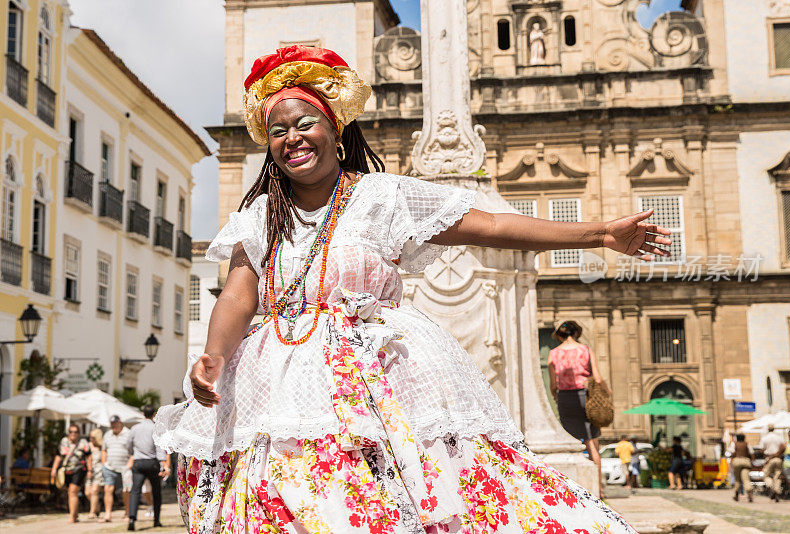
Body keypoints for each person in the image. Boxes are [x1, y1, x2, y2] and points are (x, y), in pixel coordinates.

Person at [153, 45, 671, 533]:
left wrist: (599, 234)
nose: (292, 137)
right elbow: (238, 295)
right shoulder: (261, 215)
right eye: (278, 129)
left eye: (305, 122)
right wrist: (214, 357)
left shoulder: (383, 196)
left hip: (378, 380)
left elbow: (489, 226)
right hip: (278, 383)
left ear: (335, 129)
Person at [548, 320, 606, 495]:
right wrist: (607, 392)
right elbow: (597, 378)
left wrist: (556, 397)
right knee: (591, 443)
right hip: (585, 396)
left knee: (569, 441)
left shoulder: (553, 354)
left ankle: (572, 488)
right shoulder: (586, 350)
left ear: (559, 335)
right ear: (576, 334)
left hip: (565, 398)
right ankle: (598, 488)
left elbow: (553, 385)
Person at [126, 405, 169, 531]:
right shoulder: (156, 427)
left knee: (135, 491)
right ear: (154, 414)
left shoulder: (135, 428)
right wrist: (163, 464)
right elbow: (159, 447)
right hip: (152, 463)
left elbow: (128, 444)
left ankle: (132, 518)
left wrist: (132, 453)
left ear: (142, 413)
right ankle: (156, 520)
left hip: (138, 462)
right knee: (156, 492)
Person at [50, 423, 92, 523]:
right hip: (67, 470)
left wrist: (90, 470)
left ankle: (72, 517)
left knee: (72, 491)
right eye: (71, 432)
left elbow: (89, 457)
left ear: (79, 433)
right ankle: (75, 514)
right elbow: (58, 455)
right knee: (71, 493)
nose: (73, 434)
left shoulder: (83, 443)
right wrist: (54, 469)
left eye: (75, 432)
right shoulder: (64, 442)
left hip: (79, 469)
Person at [101, 415, 131, 522]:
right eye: (111, 424)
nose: (113, 425)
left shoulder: (128, 434)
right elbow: (104, 450)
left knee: (126, 491)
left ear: (120, 422)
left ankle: (127, 513)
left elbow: (133, 451)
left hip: (125, 468)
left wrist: (130, 464)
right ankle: (108, 514)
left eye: (115, 423)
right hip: (109, 468)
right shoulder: (107, 435)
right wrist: (104, 463)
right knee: (108, 489)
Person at [759, 424, 785, 501]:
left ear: (768, 429)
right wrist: (777, 453)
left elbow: (761, 449)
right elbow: (783, 447)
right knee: (777, 476)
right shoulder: (779, 437)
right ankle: (777, 491)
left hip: (769, 458)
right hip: (778, 459)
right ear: (774, 429)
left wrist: (769, 456)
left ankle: (771, 486)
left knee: (765, 475)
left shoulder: (764, 438)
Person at [86, 428, 105, 520]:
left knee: (94, 491)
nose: (91, 439)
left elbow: (104, 460)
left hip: (99, 472)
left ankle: (92, 512)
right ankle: (97, 506)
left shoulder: (102, 447)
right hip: (89, 472)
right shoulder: (88, 446)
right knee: (87, 493)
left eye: (93, 437)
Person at [731, 433, 754, 502]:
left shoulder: (734, 444)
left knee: (737, 479)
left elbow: (732, 453)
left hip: (737, 461)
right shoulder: (747, 444)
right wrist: (752, 461)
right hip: (745, 461)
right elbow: (751, 453)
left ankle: (736, 495)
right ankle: (749, 493)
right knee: (746, 479)